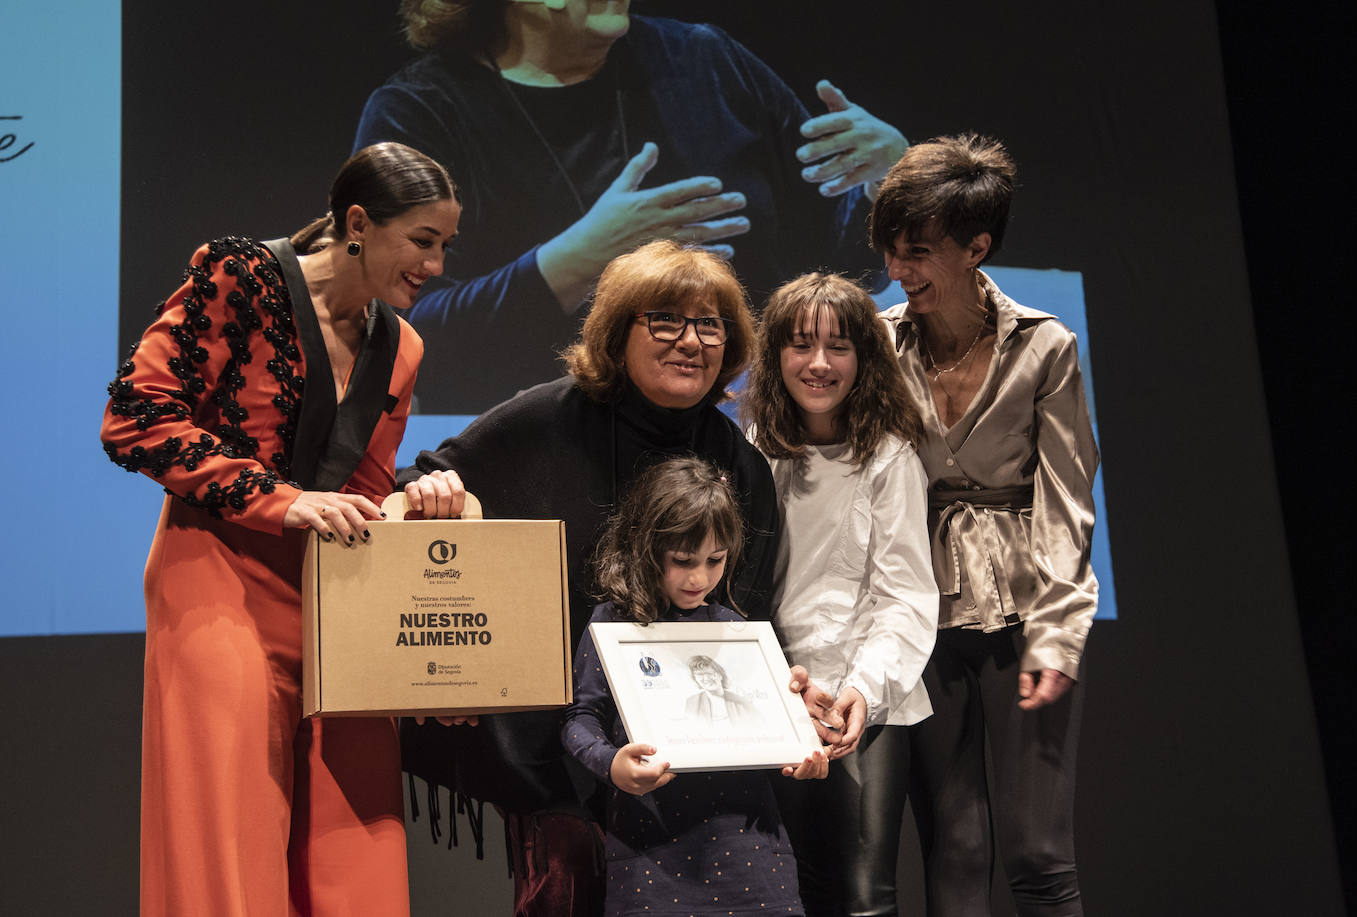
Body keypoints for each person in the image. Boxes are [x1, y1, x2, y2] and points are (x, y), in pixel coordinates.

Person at [100, 142, 461, 916]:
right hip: (217, 581)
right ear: (358, 223)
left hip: (334, 602)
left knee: (357, 839)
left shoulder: (402, 346)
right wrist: (278, 498)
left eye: (445, 247)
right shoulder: (241, 279)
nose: (434, 265)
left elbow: (363, 488)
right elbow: (135, 418)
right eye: (423, 241)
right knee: (227, 837)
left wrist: (416, 504)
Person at [398, 238, 781, 916]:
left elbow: (742, 621)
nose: (689, 340)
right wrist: (434, 495)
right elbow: (423, 479)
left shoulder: (740, 465)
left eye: (709, 323)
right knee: (568, 882)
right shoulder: (546, 416)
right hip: (553, 742)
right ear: (616, 330)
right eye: (665, 319)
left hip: (682, 749)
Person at [354, 0, 907, 412]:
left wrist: (885, 183)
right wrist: (583, 256)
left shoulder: (704, 61)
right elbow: (396, 334)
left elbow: (840, 269)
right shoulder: (420, 111)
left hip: (749, 434)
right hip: (539, 447)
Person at [872, 134, 1099, 916]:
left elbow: (1067, 502)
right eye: (891, 252)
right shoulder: (876, 339)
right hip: (916, 606)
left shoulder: (1045, 345)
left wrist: (1058, 634)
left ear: (977, 246)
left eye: (918, 253)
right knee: (957, 844)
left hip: (1022, 609)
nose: (900, 271)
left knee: (1038, 852)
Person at [743, 272, 940, 915]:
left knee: (863, 897)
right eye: (801, 344)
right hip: (779, 696)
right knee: (795, 892)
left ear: (865, 359)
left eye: (839, 346)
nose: (819, 363)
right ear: (776, 355)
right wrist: (784, 685)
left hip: (868, 703)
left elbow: (905, 595)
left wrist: (861, 689)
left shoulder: (889, 457)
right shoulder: (755, 454)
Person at [562, 456, 828, 916]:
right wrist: (612, 766)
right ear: (646, 546)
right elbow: (578, 717)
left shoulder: (738, 632)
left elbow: (776, 724)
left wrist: (804, 741)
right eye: (682, 561)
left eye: (715, 560)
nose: (699, 578)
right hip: (652, 854)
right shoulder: (613, 624)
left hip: (751, 853)